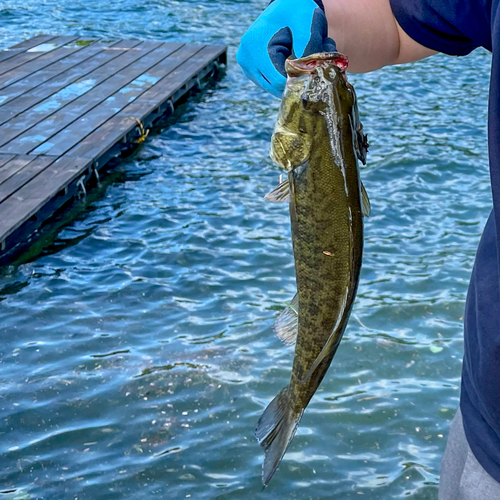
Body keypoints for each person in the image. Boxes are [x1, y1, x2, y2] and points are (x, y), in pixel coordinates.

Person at [237, 1, 500, 498]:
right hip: (489, 414)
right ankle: (295, 399)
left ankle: (294, 399)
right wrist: (319, 17)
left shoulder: (300, 146)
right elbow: (400, 26)